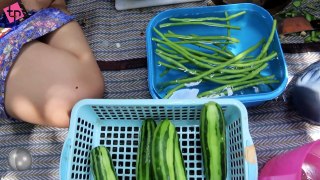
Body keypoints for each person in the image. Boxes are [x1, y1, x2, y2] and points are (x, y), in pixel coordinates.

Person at [0, 0, 105, 128]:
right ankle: (48, 7)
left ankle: (43, 8)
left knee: (80, 100)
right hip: (8, 25)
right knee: (79, 102)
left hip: (10, 17)